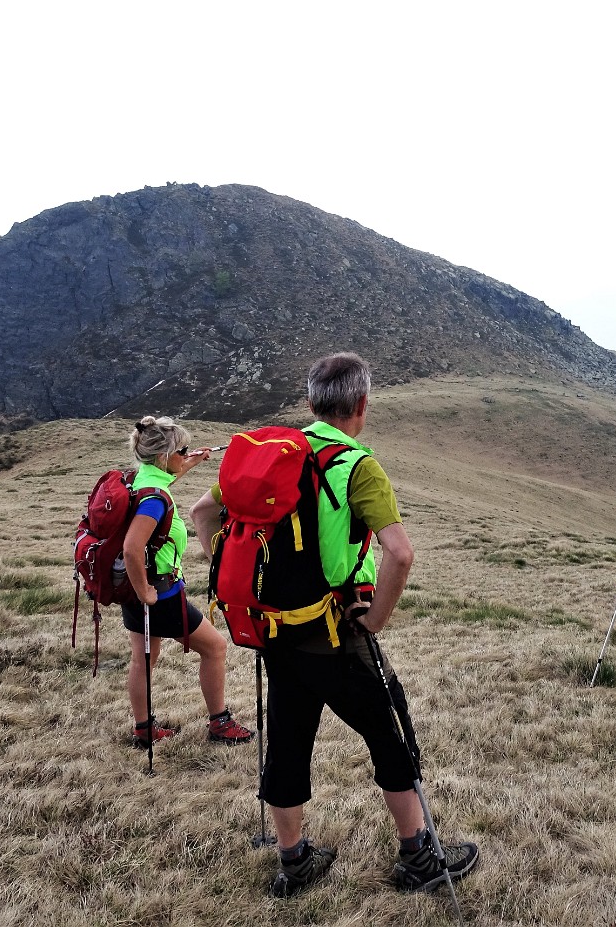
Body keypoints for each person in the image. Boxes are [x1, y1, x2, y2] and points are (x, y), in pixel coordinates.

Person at [191, 352, 479, 898]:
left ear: (310, 405)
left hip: (275, 633)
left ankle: (293, 860)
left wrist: (232, 575)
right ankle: (418, 855)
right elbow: (401, 553)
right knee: (390, 734)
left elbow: (202, 513)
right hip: (338, 634)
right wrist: (375, 620)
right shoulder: (357, 466)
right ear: (362, 405)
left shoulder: (268, 458)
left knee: (288, 741)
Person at [122, 416, 253, 747]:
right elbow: (131, 548)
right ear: (164, 455)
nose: (186, 453)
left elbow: (168, 479)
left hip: (134, 593)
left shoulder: (142, 479)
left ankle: (143, 729)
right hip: (159, 595)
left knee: (143, 658)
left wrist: (193, 460)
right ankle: (220, 724)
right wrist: (146, 593)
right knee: (216, 648)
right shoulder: (154, 499)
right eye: (182, 450)